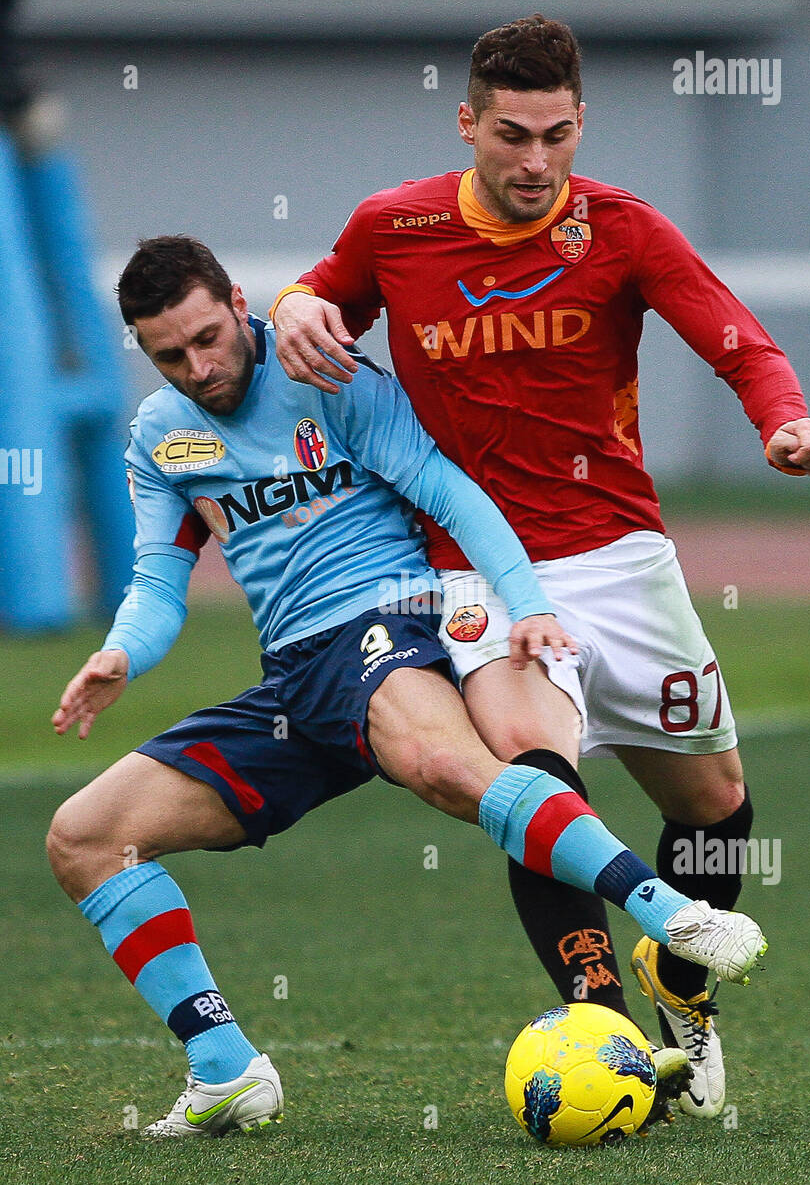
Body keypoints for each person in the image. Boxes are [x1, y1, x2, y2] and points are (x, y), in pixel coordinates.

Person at [47, 236, 765, 1139]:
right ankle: (226, 1068)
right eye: (170, 356)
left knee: (441, 762)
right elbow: (158, 582)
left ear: (238, 302)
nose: (199, 367)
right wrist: (119, 654)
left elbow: (447, 489)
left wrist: (528, 603)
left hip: (388, 625)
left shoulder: (322, 370)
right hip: (296, 683)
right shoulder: (162, 434)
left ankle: (673, 915)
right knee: (85, 837)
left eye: (208, 339)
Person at [268, 15, 810, 1119]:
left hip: (623, 554)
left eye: (558, 135)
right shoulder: (395, 227)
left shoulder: (622, 229)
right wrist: (296, 303)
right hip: (480, 565)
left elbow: (741, 341)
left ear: (582, 123)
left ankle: (680, 986)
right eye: (513, 135)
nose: (536, 163)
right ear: (469, 123)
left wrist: (786, 421)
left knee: (719, 804)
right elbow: (318, 295)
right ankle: (603, 1024)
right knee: (538, 779)